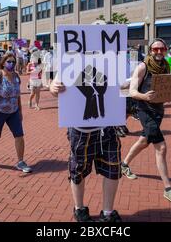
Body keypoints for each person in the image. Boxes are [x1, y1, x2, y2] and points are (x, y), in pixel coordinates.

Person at [121, 38, 171, 205]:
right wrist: (144, 96)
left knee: (144, 140)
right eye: (155, 49)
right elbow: (132, 91)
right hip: (144, 110)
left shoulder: (167, 65)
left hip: (158, 110)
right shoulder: (143, 66)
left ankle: (124, 164)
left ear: (165, 50)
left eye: (161, 49)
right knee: (161, 147)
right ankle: (168, 189)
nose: (158, 52)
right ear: (150, 51)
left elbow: (169, 91)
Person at [49, 79, 123, 222]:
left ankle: (108, 212)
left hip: (108, 126)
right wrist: (53, 87)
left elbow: (125, 86)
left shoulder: (112, 60)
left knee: (113, 168)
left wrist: (125, 90)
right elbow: (54, 86)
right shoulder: (72, 60)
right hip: (80, 129)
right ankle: (79, 209)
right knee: (78, 170)